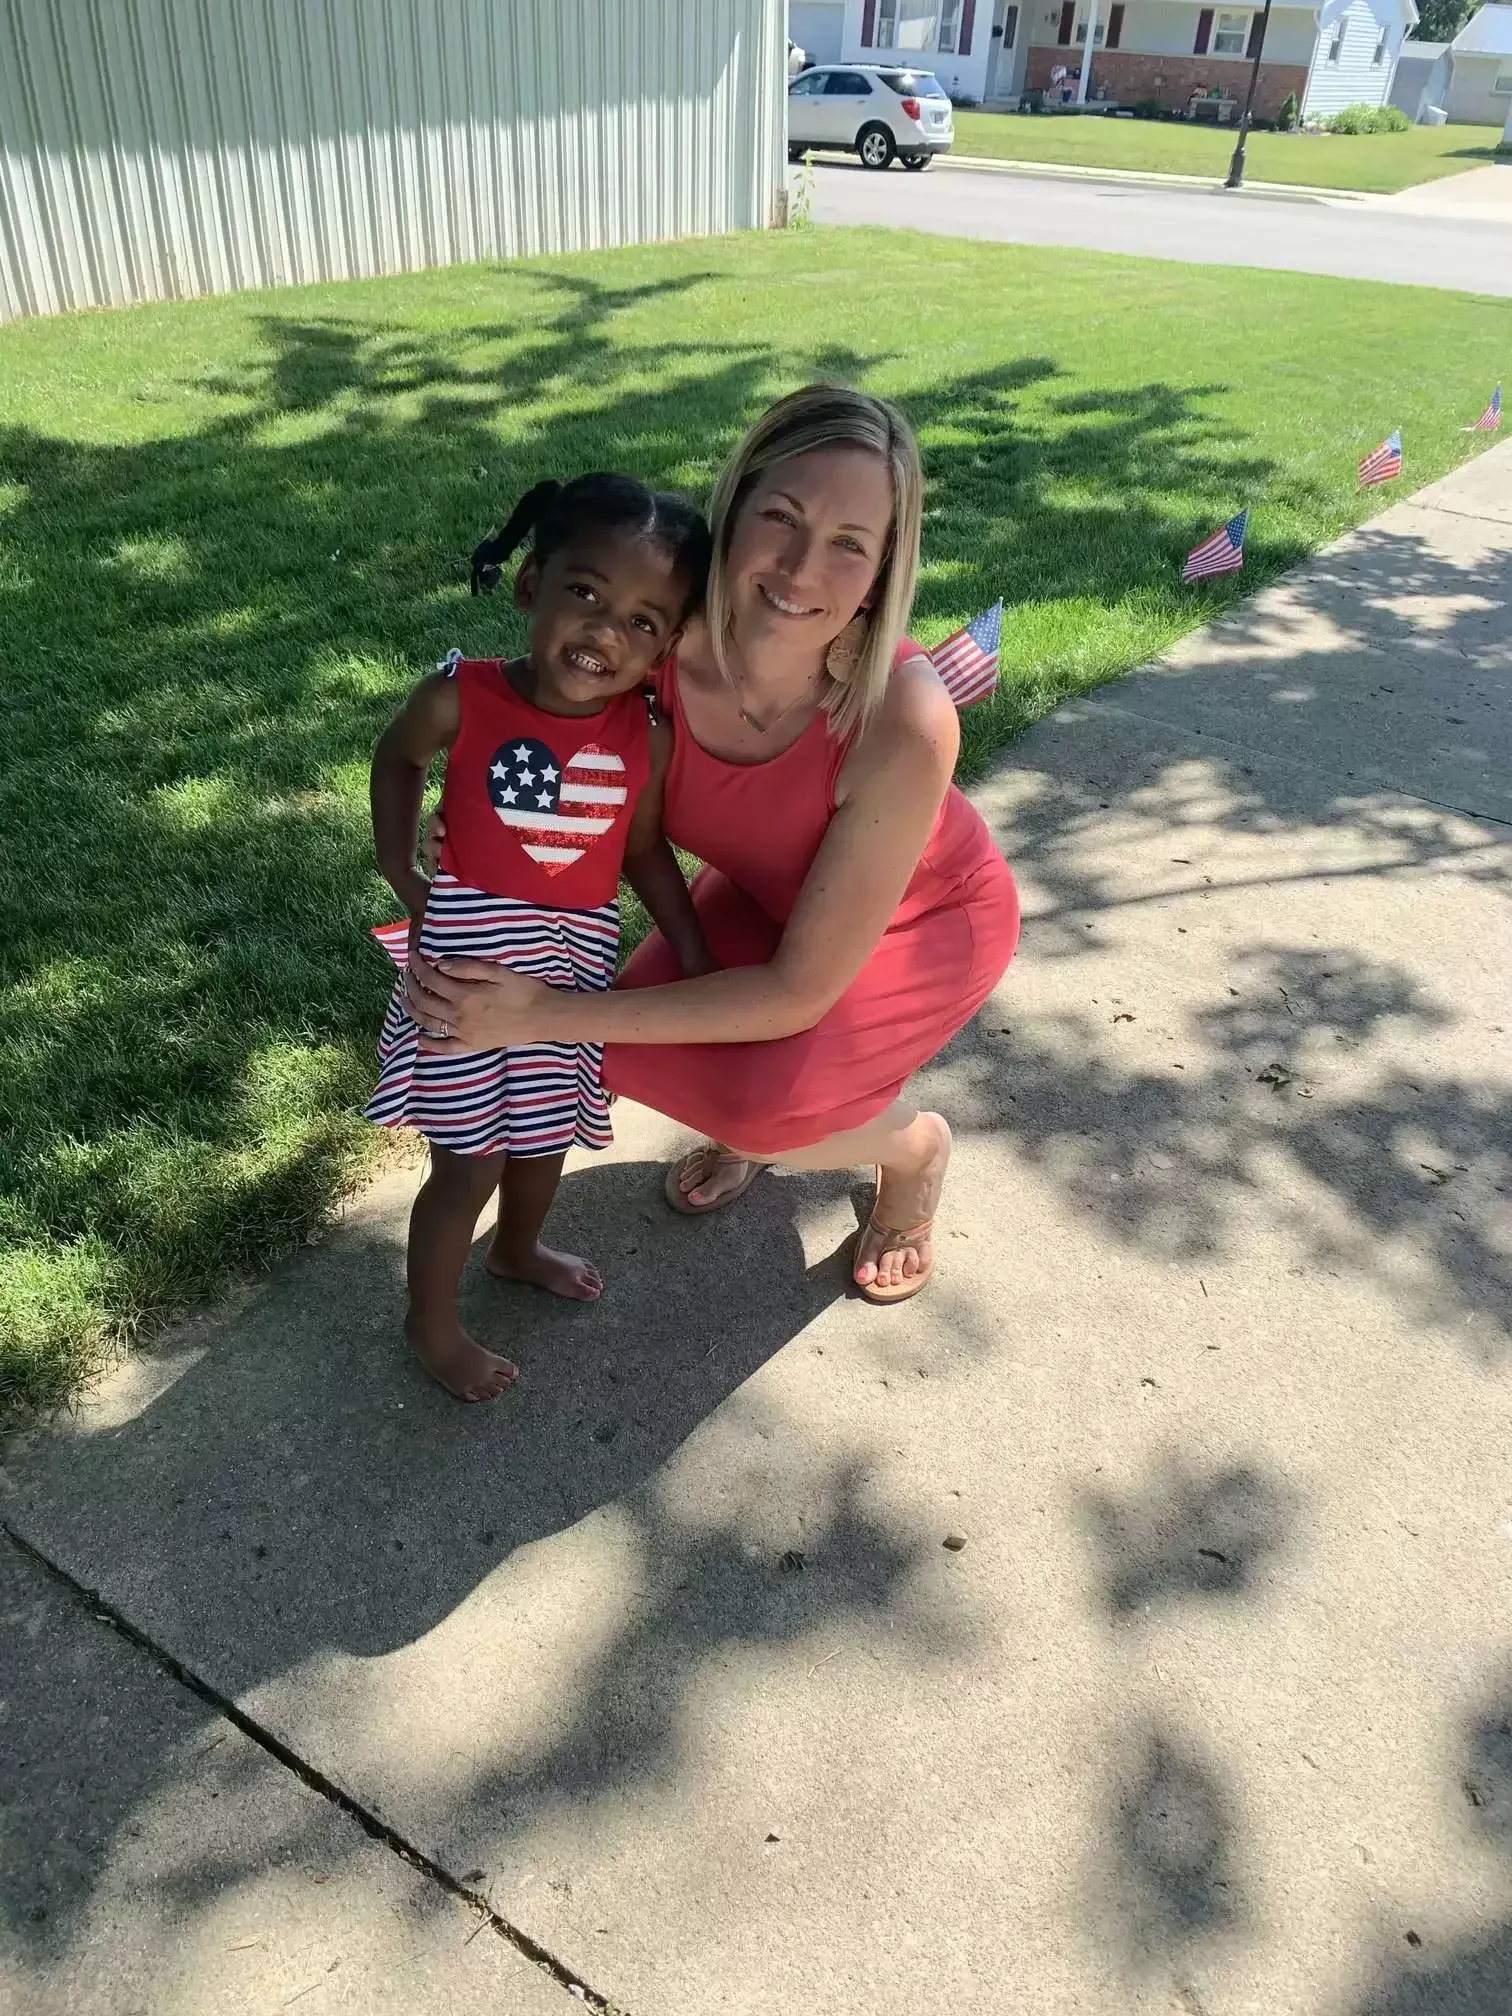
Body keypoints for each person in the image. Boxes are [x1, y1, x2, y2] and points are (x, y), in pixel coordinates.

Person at [406, 385, 1020, 1308]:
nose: (803, 569)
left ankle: (910, 1149)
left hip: (930, 919)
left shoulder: (906, 717)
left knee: (757, 1109)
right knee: (610, 1050)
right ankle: (773, 1124)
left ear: (883, 568)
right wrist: (476, 814)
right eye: (782, 517)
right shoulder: (649, 645)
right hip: (768, 897)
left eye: (850, 543)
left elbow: (795, 991)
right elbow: (553, 757)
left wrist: (537, 1012)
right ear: (733, 508)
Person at [367, 473, 712, 1401]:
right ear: (531, 585)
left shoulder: (649, 739)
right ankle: (429, 1322)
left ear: (669, 646)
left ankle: (517, 1249)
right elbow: (395, 757)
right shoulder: (462, 697)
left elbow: (642, 852)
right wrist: (402, 867)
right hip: (466, 978)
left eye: (645, 621)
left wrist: (691, 947)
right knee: (467, 1158)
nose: (606, 631)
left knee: (544, 1134)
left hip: (569, 977)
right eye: (586, 593)